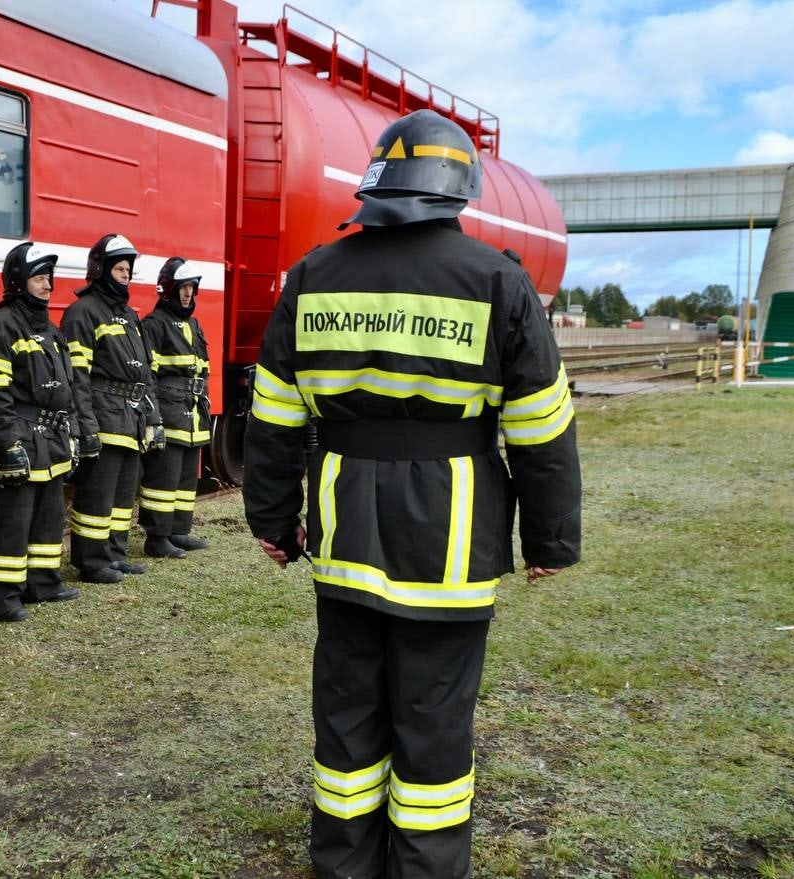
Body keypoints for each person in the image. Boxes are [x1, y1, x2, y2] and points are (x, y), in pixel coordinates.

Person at [242, 109, 581, 878]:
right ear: (457, 189)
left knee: (348, 709)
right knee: (432, 717)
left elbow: (273, 419)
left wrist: (272, 519)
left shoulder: (312, 276)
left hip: (344, 526)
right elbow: (540, 430)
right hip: (450, 534)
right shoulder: (499, 280)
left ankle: (344, 863)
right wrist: (552, 539)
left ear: (377, 185)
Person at [0, 242, 83, 621]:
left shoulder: (51, 331)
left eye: (49, 279)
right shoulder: (0, 326)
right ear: (19, 282)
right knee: (12, 523)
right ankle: (3, 599)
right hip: (21, 437)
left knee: (48, 518)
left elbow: (67, 387)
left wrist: (70, 432)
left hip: (51, 440)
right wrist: (8, 444)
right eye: (39, 278)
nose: (47, 286)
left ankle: (44, 584)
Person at [62, 234, 164, 583]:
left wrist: (152, 420)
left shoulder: (129, 316)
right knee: (98, 495)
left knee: (123, 495)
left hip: (132, 418)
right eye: (119, 268)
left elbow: (146, 373)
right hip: (104, 416)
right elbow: (77, 376)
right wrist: (85, 426)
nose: (125, 275)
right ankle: (91, 562)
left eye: (128, 269)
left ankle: (114, 554)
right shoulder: (83, 312)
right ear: (100, 269)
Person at [138, 257, 211, 558]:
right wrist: (152, 416)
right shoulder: (155, 325)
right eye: (183, 287)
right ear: (169, 289)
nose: (188, 294)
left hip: (192, 412)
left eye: (192, 288)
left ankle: (179, 531)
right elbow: (148, 375)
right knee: (164, 477)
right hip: (169, 411)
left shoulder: (193, 324)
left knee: (184, 477)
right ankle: (157, 538)